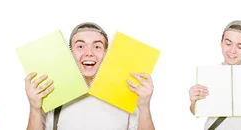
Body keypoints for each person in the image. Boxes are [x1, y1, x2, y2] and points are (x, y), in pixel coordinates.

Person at [25, 22, 156, 130]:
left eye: (97, 47)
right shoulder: (52, 97)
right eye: (80, 46)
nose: (89, 53)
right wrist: (34, 108)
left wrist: (144, 107)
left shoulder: (127, 97)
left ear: (107, 55)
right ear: (69, 54)